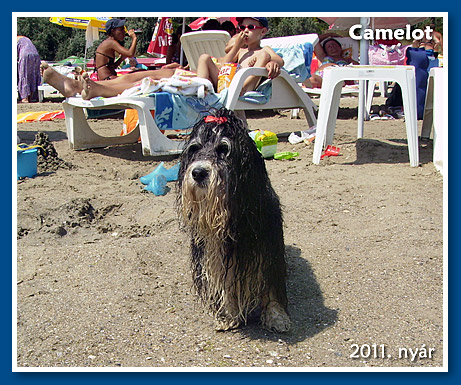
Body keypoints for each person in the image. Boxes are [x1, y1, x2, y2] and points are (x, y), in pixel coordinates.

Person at [196, 17, 284, 94]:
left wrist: (272, 62)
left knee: (264, 55)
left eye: (250, 27)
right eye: (242, 27)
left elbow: (280, 61)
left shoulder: (263, 50)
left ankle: (241, 89)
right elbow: (223, 65)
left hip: (243, 88)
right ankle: (200, 91)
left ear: (263, 31)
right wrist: (237, 46)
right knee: (204, 58)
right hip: (226, 83)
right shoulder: (241, 50)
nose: (245, 31)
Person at [17, 36, 41, 103]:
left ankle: (25, 98)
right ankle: (33, 97)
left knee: (24, 75)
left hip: (25, 54)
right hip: (36, 55)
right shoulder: (24, 38)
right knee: (33, 75)